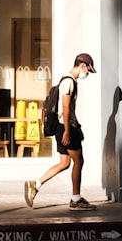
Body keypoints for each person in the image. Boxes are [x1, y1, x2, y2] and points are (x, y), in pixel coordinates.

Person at [24, 52, 97, 210]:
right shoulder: (69, 82)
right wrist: (67, 132)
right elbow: (65, 107)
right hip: (66, 126)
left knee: (64, 163)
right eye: (87, 70)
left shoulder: (66, 79)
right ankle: (76, 199)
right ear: (82, 65)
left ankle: (35, 185)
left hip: (61, 126)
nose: (87, 74)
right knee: (79, 161)